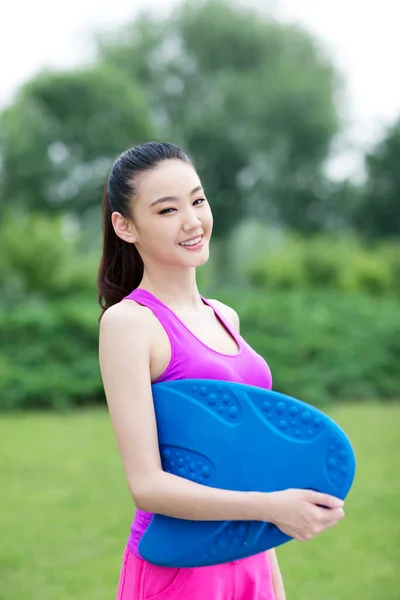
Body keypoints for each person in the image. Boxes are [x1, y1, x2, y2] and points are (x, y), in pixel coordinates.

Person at [98, 141, 345, 600]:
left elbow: (243, 467)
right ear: (125, 226)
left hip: (248, 554)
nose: (192, 221)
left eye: (197, 200)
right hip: (180, 567)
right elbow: (147, 486)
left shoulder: (224, 316)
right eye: (167, 210)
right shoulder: (129, 324)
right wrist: (273, 507)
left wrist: (274, 580)